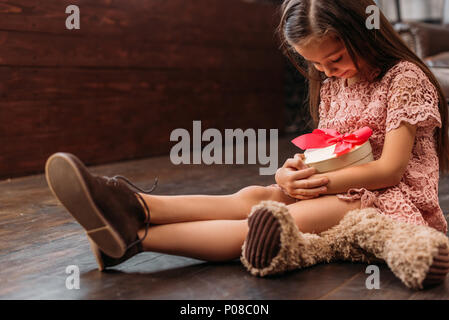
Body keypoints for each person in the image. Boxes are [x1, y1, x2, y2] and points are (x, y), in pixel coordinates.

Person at [45, 0, 449, 290]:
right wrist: (290, 174)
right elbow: (328, 151)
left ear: (365, 32)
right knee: (254, 193)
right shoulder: (334, 86)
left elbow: (390, 170)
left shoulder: (404, 78)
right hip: (343, 185)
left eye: (336, 59)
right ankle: (133, 204)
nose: (328, 72)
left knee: (263, 218)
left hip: (388, 197)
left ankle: (132, 238)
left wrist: (315, 188)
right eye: (317, 65)